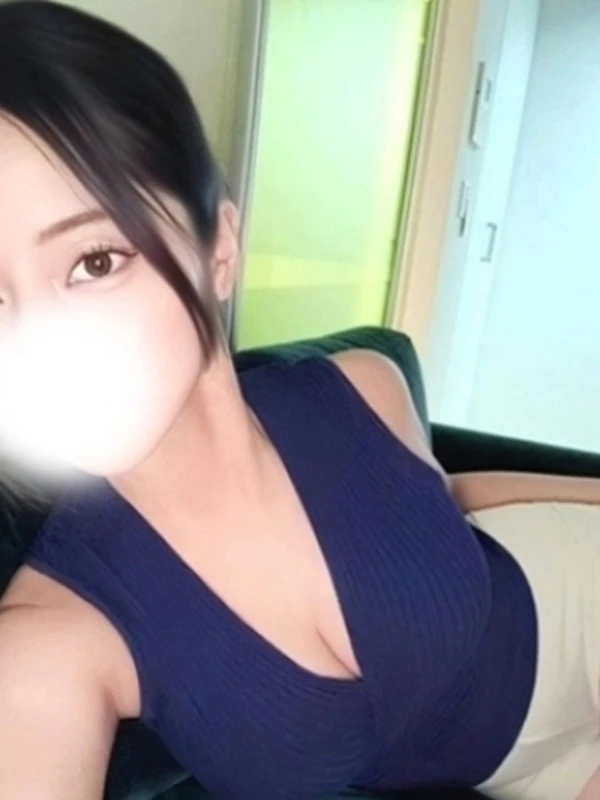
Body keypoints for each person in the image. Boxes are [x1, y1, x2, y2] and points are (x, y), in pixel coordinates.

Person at [0, 3, 599, 800]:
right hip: (526, 772)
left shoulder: (364, 385)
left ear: (218, 248)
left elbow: (446, 504)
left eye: (95, 261)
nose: (32, 348)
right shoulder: (53, 637)